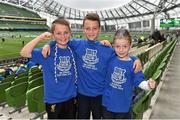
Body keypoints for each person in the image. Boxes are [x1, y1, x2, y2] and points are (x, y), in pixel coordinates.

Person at [42, 13, 142, 119]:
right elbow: (61, 39)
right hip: (82, 95)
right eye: (88, 28)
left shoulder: (107, 49)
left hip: (100, 95)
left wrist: (136, 59)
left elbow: (123, 55)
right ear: (83, 29)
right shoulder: (77, 44)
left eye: (94, 28)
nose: (91, 32)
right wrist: (49, 44)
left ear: (99, 29)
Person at [20, 18, 77, 119]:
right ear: (53, 34)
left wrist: (104, 42)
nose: (63, 36)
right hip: (53, 100)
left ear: (70, 33)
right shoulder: (46, 52)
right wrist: (41, 38)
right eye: (58, 33)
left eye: (66, 33)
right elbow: (24, 52)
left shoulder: (74, 49)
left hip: (71, 98)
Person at [102, 28, 156, 119]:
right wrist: (103, 42)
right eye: (118, 46)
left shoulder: (134, 65)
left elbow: (140, 82)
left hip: (123, 107)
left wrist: (149, 85)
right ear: (113, 46)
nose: (121, 50)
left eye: (125, 46)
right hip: (107, 104)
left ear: (130, 45)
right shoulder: (110, 57)